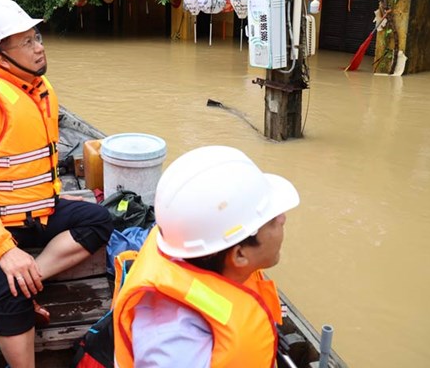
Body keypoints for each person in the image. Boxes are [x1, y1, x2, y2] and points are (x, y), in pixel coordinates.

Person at [0, 0, 113, 368]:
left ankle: (32, 278)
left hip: (35, 211)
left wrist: (24, 264)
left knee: (99, 220)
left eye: (37, 36)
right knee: (8, 286)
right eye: (28, 42)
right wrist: (4, 250)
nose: (39, 47)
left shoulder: (35, 86)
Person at [113, 146, 300, 368]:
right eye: (270, 219)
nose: (282, 219)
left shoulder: (187, 243)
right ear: (239, 254)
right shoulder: (175, 344)